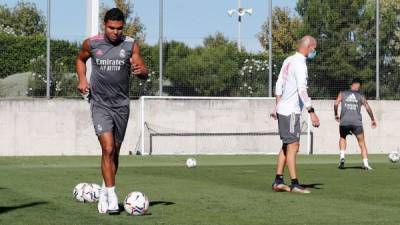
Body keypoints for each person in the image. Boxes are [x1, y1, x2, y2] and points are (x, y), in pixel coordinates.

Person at [75, 8, 148, 214]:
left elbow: (142, 69)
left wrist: (142, 71)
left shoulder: (130, 44)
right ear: (104, 26)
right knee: (107, 148)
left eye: (119, 28)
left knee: (115, 151)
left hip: (121, 105)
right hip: (99, 104)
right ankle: (113, 198)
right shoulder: (92, 43)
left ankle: (105, 193)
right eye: (111, 28)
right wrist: (82, 79)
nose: (115, 32)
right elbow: (80, 60)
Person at [271, 36, 320, 194]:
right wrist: (311, 112)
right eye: (314, 48)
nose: (315, 51)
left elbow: (279, 84)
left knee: (287, 145)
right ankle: (295, 183)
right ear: (309, 47)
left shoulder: (288, 60)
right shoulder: (300, 64)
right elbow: (302, 90)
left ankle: (278, 181)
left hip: (283, 109)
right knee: (294, 146)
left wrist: (277, 105)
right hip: (291, 111)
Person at [334, 78, 377, 170]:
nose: (359, 87)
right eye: (359, 85)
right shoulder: (361, 95)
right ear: (356, 84)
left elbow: (336, 103)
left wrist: (336, 115)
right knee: (362, 143)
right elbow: (367, 107)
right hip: (356, 123)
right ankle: (366, 164)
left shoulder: (342, 93)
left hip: (344, 122)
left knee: (342, 137)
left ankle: (342, 157)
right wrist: (372, 119)